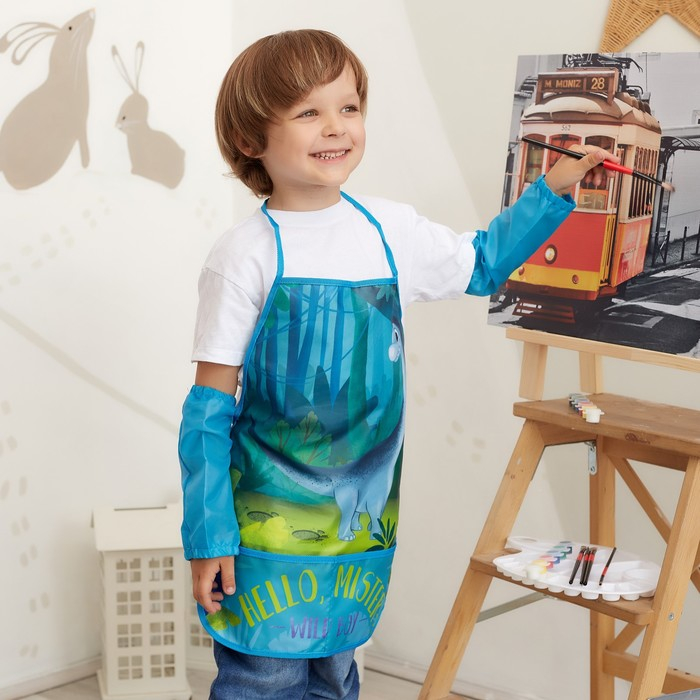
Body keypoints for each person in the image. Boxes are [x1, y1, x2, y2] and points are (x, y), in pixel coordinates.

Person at [178, 29, 617, 700]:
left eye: (349, 107)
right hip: (265, 524)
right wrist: (208, 533)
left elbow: (482, 264)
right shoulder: (243, 254)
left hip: (362, 524)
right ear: (248, 138)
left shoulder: (390, 231)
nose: (336, 127)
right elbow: (208, 408)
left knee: (336, 673)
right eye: (308, 112)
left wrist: (553, 187)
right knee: (263, 677)